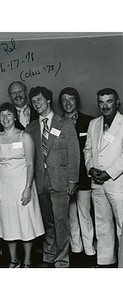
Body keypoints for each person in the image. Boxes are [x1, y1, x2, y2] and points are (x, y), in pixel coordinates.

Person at [25, 86, 80, 268]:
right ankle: (49, 257)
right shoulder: (31, 127)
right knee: (48, 222)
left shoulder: (64, 123)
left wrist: (73, 180)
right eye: (33, 102)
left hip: (61, 182)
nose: (36, 104)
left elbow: (74, 153)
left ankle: (62, 260)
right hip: (40, 183)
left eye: (39, 100)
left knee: (61, 221)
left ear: (48, 100)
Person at [0, 102, 45, 268]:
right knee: (9, 224)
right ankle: (14, 260)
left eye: (8, 114)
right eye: (2, 115)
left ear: (15, 116)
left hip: (23, 186)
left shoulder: (25, 136)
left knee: (26, 223)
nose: (5, 118)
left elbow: (30, 164)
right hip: (4, 187)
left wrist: (28, 187)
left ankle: (27, 260)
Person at [84, 88, 123, 267]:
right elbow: (87, 150)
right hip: (97, 182)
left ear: (117, 103)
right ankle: (106, 263)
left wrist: (108, 173)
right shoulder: (94, 123)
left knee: (121, 225)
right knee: (102, 224)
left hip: (116, 182)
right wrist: (91, 169)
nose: (105, 106)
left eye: (109, 101)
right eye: (101, 102)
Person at [58, 87, 96, 265]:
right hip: (66, 179)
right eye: (64, 99)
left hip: (84, 177)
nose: (67, 103)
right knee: (71, 216)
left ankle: (90, 253)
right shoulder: (56, 124)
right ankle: (76, 252)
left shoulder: (90, 122)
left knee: (85, 215)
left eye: (71, 99)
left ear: (77, 101)